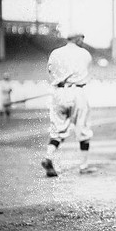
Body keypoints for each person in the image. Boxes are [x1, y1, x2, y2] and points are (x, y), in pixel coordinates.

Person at [41, 31, 95, 177]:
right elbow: (84, 72)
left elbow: (50, 70)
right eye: (82, 38)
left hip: (58, 93)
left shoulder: (55, 53)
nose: (83, 41)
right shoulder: (84, 53)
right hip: (77, 91)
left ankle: (49, 156)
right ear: (77, 39)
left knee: (57, 130)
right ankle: (83, 166)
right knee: (83, 128)